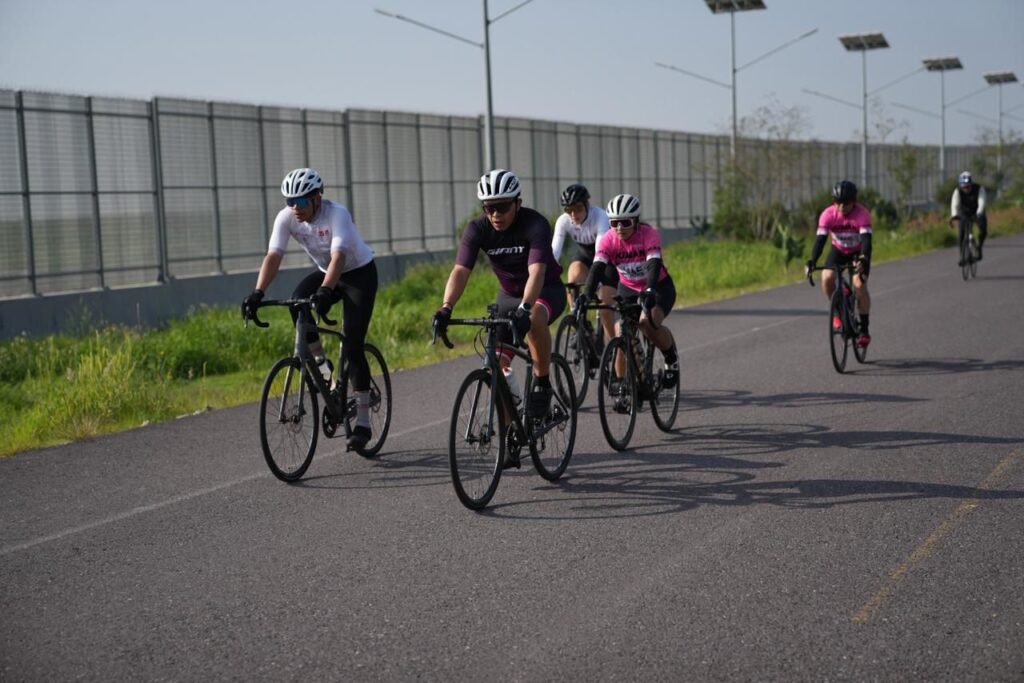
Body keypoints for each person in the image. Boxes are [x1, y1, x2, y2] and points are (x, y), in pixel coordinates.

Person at [241, 168, 378, 451]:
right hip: (327, 271)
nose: (295, 208)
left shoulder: (336, 214)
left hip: (358, 274)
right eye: (289, 201)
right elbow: (273, 255)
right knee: (297, 301)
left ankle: (363, 420)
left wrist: (327, 291)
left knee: (353, 345)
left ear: (317, 198)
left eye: (301, 202)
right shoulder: (287, 217)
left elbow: (339, 256)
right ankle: (323, 368)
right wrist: (257, 293)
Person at [432, 169, 566, 443]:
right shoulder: (477, 228)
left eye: (503, 207)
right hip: (508, 296)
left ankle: (541, 383)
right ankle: (510, 432)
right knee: (495, 367)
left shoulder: (535, 224)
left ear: (517, 202)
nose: (496, 214)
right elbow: (460, 271)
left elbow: (537, 272)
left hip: (545, 290)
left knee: (535, 318)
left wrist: (526, 309)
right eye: (489, 208)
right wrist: (446, 307)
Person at [579, 193, 679, 391]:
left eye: (625, 222)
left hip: (658, 287)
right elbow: (598, 267)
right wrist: (587, 293)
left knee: (646, 323)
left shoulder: (648, 234)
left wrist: (649, 289)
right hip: (628, 288)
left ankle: (671, 358)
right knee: (621, 331)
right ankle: (623, 384)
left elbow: (654, 263)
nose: (619, 228)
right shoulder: (608, 239)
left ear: (635, 221)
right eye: (614, 222)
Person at [805, 179, 872, 349]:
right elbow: (820, 240)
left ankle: (864, 330)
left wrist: (864, 259)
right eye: (838, 202)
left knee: (858, 284)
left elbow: (866, 241)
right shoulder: (828, 214)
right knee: (827, 278)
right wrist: (812, 261)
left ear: (854, 201)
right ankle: (837, 312)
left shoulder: (862, 214)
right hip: (839, 250)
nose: (842, 207)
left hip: (858, 252)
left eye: (846, 203)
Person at [552, 183, 617, 347]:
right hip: (584, 256)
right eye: (569, 210)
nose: (573, 214)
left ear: (588, 205)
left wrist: (596, 281)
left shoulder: (600, 216)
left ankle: (615, 348)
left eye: (578, 209)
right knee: (572, 279)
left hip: (606, 259)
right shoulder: (563, 221)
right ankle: (579, 324)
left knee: (604, 309)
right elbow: (554, 253)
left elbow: (601, 252)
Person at [950, 171, 988, 263]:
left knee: (983, 230)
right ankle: (962, 256)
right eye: (964, 187)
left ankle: (979, 247)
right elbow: (954, 204)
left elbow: (981, 202)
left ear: (971, 184)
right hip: (964, 213)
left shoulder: (979, 189)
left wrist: (979, 212)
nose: (965, 189)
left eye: (967, 186)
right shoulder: (957, 191)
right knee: (961, 235)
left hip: (977, 212)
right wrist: (954, 215)